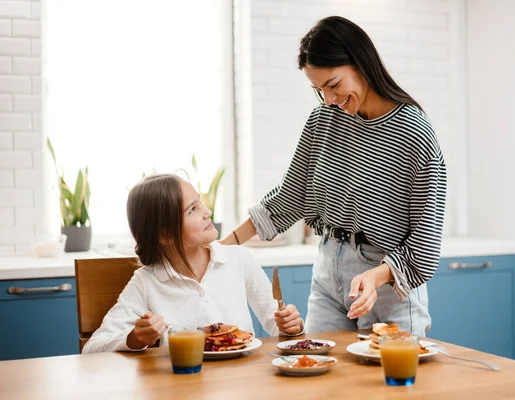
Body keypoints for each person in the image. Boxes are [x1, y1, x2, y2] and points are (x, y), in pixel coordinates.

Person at [222, 16, 446, 336]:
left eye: (333, 85)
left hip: (386, 288)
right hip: (328, 276)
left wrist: (375, 276)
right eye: (318, 90)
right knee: (318, 379)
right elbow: (290, 197)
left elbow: (425, 245)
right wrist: (222, 247)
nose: (329, 100)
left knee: (386, 384)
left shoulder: (414, 132)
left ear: (361, 63)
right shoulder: (323, 120)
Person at [83, 174, 303, 353]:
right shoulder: (147, 282)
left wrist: (291, 326)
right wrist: (134, 339)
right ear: (166, 235)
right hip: (182, 384)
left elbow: (277, 324)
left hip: (240, 383)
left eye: (201, 203)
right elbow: (93, 348)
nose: (207, 212)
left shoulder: (238, 259)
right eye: (193, 210)